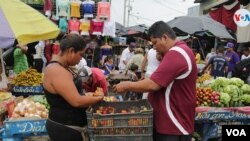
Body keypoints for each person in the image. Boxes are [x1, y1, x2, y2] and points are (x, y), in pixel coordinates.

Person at [113, 21, 197, 141]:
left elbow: (153, 84)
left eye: (155, 43)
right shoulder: (178, 51)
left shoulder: (177, 53)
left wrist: (126, 85)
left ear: (164, 37)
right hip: (169, 124)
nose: (154, 47)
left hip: (174, 125)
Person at [43, 34, 103, 141]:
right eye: (81, 54)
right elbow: (77, 101)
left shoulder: (62, 67)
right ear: (71, 51)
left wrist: (88, 95)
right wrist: (99, 98)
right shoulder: (57, 71)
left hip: (67, 127)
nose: (81, 59)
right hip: (65, 129)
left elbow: (70, 94)